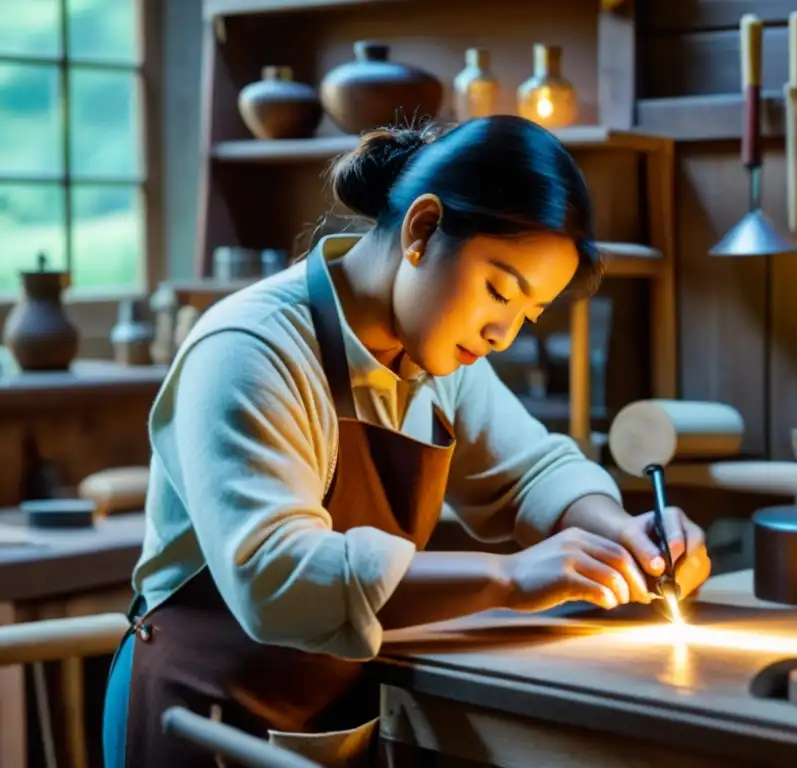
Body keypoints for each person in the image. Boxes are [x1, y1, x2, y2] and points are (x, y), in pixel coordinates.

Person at [102, 115, 711, 767]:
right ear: (422, 230)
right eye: (499, 291)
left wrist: (621, 533)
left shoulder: (437, 360)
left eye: (525, 315)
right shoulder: (249, 348)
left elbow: (530, 472)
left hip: (331, 719)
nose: (502, 335)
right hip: (201, 719)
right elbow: (275, 576)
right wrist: (510, 578)